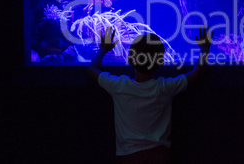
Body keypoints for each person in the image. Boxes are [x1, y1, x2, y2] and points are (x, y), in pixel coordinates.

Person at [87, 26, 213, 164]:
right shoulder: (164, 87)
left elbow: (92, 69)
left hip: (129, 155)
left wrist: (103, 49)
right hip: (159, 154)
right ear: (160, 62)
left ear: (129, 59)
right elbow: (198, 72)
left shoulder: (118, 86)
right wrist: (204, 48)